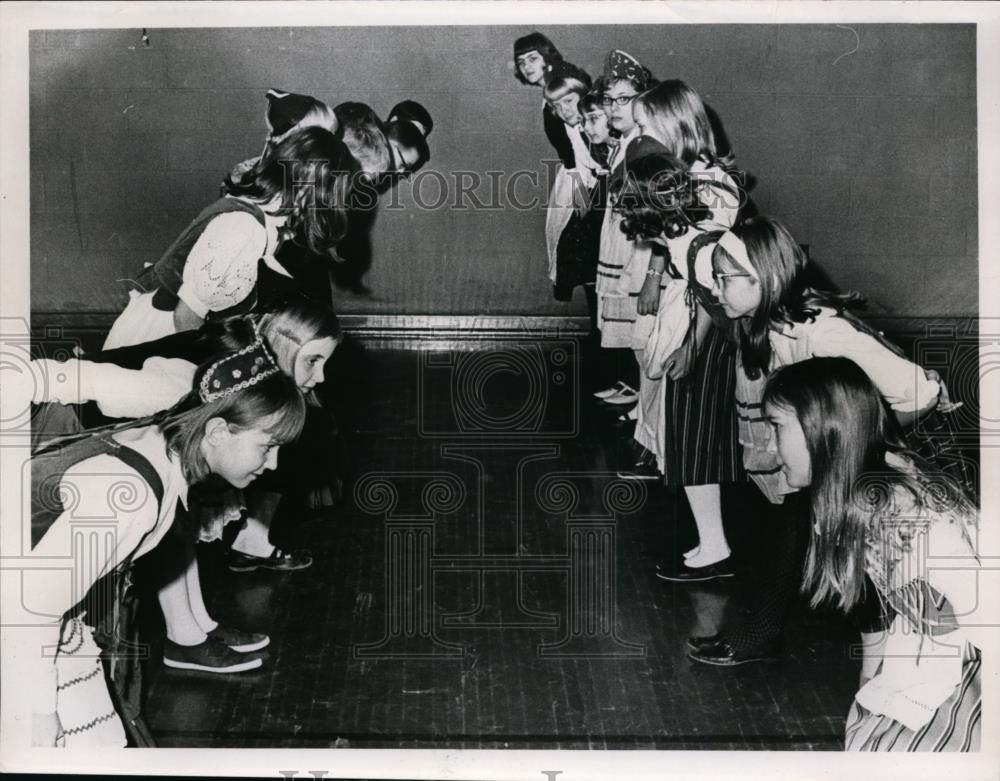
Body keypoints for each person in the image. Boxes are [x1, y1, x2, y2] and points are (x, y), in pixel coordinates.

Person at [12, 340, 306, 746]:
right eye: (267, 446)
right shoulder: (129, 495)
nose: (272, 464)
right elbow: (32, 607)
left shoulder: (168, 434)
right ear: (218, 431)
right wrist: (40, 716)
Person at [687, 216, 946, 666]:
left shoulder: (826, 333)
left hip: (908, 440)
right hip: (841, 446)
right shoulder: (770, 322)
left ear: (762, 279)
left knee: (854, 544)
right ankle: (770, 634)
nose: (718, 287)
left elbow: (923, 392)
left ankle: (892, 658)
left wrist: (854, 447)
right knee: (797, 525)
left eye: (725, 279)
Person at [33, 298, 343, 673]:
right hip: (71, 428)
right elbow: (79, 381)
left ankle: (195, 629)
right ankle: (184, 638)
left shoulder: (250, 385)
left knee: (174, 515)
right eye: (313, 360)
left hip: (127, 443)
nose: (321, 376)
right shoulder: (189, 385)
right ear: (287, 346)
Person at [761, 357, 982, 751]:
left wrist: (884, 710)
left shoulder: (895, 518)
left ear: (823, 427)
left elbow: (951, 633)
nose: (768, 445)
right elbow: (878, 617)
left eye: (776, 427)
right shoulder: (867, 492)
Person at [625, 80, 745, 578]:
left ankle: (717, 547)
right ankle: (710, 540)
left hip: (716, 321)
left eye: (643, 125)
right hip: (698, 310)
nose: (637, 137)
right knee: (688, 430)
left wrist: (692, 345)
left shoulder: (712, 188)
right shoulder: (679, 179)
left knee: (697, 433)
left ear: (673, 126)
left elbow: (713, 287)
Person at [103, 127, 357, 350]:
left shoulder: (262, 218)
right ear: (311, 190)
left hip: (179, 337)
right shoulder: (243, 229)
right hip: (159, 345)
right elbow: (186, 318)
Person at [592, 50, 657, 418]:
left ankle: (650, 420)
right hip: (622, 247)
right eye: (609, 99)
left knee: (645, 340)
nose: (614, 108)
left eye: (623, 99)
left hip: (640, 253)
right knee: (636, 342)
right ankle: (645, 414)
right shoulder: (625, 143)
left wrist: (650, 274)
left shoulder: (645, 146)